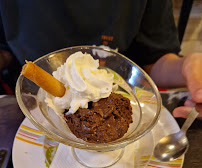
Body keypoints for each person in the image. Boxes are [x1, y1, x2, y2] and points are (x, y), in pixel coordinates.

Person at [0, 0, 201, 118]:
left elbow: (153, 59)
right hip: (25, 112)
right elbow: (5, 53)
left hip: (117, 98)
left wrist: (187, 68)